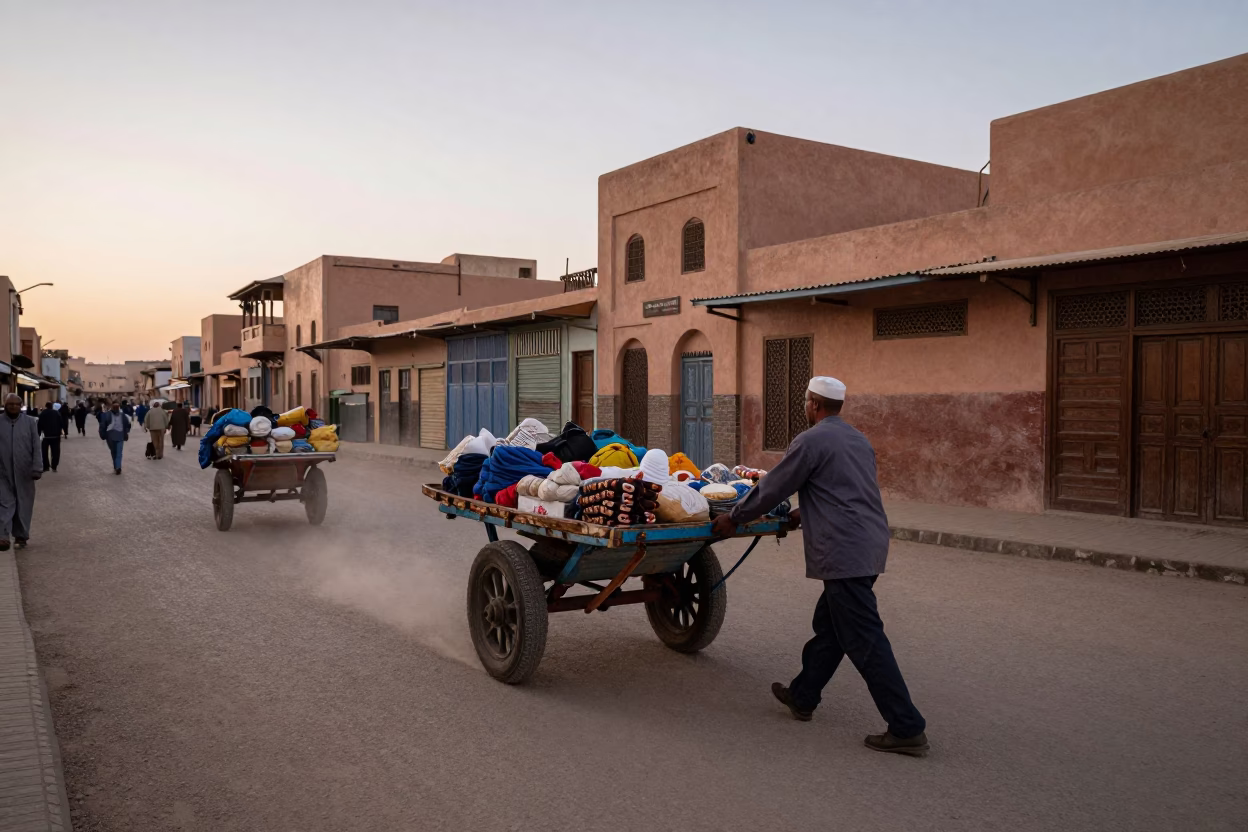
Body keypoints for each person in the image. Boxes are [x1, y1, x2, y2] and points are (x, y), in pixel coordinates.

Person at [711, 376, 928, 757]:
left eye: (807, 402)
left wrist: (736, 516)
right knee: (832, 627)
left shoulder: (810, 440)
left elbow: (775, 486)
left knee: (864, 637)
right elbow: (845, 489)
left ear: (813, 404)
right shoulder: (858, 438)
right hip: (870, 542)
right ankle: (803, 695)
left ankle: (906, 725)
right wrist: (803, 512)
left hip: (845, 550)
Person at [0, 394, 41, 550]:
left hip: (25, 471)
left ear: (21, 405)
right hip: (3, 471)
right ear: (5, 405)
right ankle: (3, 536)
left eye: (16, 404)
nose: (13, 407)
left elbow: (36, 446)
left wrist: (37, 467)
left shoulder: (30, 423)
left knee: (24, 504)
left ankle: (21, 535)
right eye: (10, 404)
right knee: (4, 503)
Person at [99, 401, 131, 474]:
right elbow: (102, 426)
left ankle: (118, 467)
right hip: (110, 436)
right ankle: (116, 466)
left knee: (119, 452)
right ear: (112, 407)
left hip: (120, 435)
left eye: (117, 407)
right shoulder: (107, 415)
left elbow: (127, 424)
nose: (116, 409)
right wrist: (102, 435)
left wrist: (126, 432)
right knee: (114, 452)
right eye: (115, 407)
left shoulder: (122, 415)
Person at [37, 402, 62, 473]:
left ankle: (46, 466)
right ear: (51, 406)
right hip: (56, 436)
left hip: (46, 436)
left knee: (44, 452)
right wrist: (60, 431)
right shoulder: (56, 413)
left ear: (46, 406)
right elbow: (61, 423)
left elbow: (39, 424)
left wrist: (38, 434)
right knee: (56, 451)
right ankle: (54, 466)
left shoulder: (42, 414)